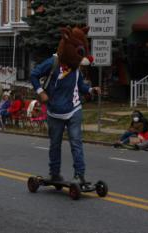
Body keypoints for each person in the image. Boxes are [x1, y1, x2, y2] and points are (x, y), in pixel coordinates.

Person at [31, 26, 99, 184]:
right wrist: (40, 91)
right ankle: (54, 173)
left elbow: (80, 85)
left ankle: (80, 175)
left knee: (76, 142)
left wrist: (90, 89)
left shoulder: (75, 67)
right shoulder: (53, 63)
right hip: (54, 111)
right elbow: (34, 75)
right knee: (55, 144)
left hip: (74, 109)